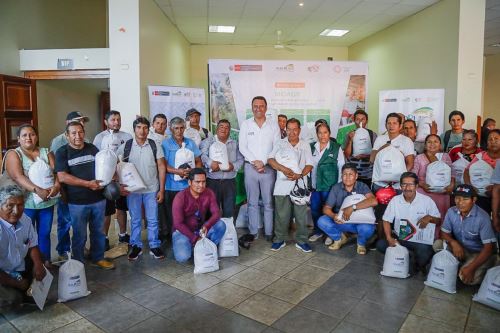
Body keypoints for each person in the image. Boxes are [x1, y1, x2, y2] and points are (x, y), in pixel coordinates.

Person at [55, 121, 114, 269]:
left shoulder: (92, 148)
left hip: (98, 199)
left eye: (80, 132)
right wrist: (87, 184)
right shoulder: (62, 152)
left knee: (99, 231)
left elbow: (104, 166)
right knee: (79, 235)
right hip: (77, 202)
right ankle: (78, 263)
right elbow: (62, 177)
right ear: (67, 135)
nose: (77, 136)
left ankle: (98, 257)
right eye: (73, 133)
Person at [4, 125, 59, 265]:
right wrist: (37, 190)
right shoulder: (14, 154)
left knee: (44, 233)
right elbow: (17, 176)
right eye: (24, 135)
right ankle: (26, 265)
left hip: (47, 201)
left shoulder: (46, 152)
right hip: (24, 204)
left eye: (32, 134)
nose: (28, 138)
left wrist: (57, 185)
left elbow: (57, 172)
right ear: (18, 139)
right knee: (25, 235)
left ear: (36, 137)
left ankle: (45, 261)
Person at [116, 117, 166, 260]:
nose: (142, 131)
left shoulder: (154, 144)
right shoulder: (126, 146)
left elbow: (161, 167)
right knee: (136, 219)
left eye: (145, 128)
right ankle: (136, 245)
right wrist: (120, 186)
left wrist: (161, 189)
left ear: (148, 129)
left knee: (153, 219)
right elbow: (117, 166)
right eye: (139, 127)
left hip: (152, 189)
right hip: (133, 191)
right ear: (134, 129)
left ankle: (154, 245)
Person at [376, 172, 441, 273]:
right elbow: (386, 220)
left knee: (425, 253)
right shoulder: (395, 200)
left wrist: (430, 218)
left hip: (420, 240)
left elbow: (438, 220)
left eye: (410, 184)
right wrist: (389, 238)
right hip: (401, 238)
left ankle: (410, 259)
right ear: (400, 186)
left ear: (417, 186)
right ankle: (409, 257)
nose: (407, 188)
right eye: (404, 184)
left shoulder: (427, 201)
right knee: (381, 244)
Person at [268, 118, 313, 252]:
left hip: (300, 186)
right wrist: (283, 169)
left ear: (299, 130)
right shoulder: (279, 143)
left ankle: (302, 241)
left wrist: (299, 175)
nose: (292, 132)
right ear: (285, 130)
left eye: (295, 129)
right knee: (282, 215)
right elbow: (270, 160)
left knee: (301, 216)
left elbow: (309, 164)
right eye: (289, 129)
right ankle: (279, 240)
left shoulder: (305, 145)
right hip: (282, 186)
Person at [239, 96, 280, 240]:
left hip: (268, 169)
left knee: (269, 202)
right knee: (252, 202)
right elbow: (242, 146)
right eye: (255, 106)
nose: (258, 109)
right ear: (252, 108)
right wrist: (255, 161)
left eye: (261, 106)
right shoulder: (246, 124)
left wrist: (263, 162)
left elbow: (276, 146)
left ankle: (269, 233)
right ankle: (253, 232)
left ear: (266, 108)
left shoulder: (273, 125)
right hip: (251, 168)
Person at [50, 111, 89, 260]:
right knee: (65, 221)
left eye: (83, 122)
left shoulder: (86, 138)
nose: (82, 124)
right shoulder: (58, 141)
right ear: (67, 124)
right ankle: (64, 250)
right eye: (78, 121)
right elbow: (56, 167)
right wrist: (61, 187)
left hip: (83, 189)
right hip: (66, 188)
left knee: (80, 221)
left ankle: (80, 246)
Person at [439, 184, 497, 285]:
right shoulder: (451, 211)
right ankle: (460, 266)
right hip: (462, 249)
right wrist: (453, 243)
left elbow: (488, 248)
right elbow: (444, 233)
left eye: (465, 199)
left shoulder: (482, 217)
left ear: (473, 200)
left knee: (468, 279)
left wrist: (471, 268)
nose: (460, 202)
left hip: (479, 253)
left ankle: (491, 262)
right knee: (438, 244)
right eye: (457, 198)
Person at [0, 185, 46, 311]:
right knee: (11, 300)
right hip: (2, 272)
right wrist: (15, 283)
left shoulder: (25, 220)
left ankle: (23, 289)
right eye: (10, 205)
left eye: (20, 205)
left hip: (15, 266)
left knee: (41, 259)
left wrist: (38, 264)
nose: (16, 211)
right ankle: (17, 290)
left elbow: (32, 244)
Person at [93, 110, 133, 250]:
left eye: (118, 119)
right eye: (113, 120)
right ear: (106, 122)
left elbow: (129, 157)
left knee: (122, 207)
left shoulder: (127, 136)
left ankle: (123, 234)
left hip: (123, 178)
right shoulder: (99, 138)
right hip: (106, 181)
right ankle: (104, 238)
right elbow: (97, 159)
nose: (116, 122)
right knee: (107, 210)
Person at [317, 163, 378, 255]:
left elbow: (373, 201)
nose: (347, 177)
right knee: (322, 221)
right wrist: (333, 216)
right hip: (341, 222)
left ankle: (361, 244)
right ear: (341, 176)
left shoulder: (362, 186)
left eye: (351, 174)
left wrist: (352, 207)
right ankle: (339, 239)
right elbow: (326, 208)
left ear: (356, 176)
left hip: (358, 222)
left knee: (368, 228)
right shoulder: (336, 188)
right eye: (345, 174)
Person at [160, 117, 202, 242]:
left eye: (181, 128)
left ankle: (189, 239)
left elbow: (198, 161)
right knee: (173, 217)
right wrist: (177, 171)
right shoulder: (166, 144)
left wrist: (193, 173)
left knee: (189, 215)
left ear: (185, 128)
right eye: (176, 128)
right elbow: (163, 165)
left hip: (187, 188)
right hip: (171, 187)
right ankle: (174, 240)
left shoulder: (190, 143)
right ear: (171, 129)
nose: (179, 131)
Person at [171, 168, 226, 263]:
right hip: (183, 232)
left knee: (221, 224)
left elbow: (216, 213)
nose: (201, 185)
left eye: (203, 182)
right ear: (189, 182)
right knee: (183, 257)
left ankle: (207, 248)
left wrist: (206, 226)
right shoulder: (180, 197)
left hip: (200, 230)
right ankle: (194, 247)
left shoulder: (209, 193)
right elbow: (178, 224)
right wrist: (195, 238)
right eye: (197, 182)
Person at [308, 121, 344, 246]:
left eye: (325, 132)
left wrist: (339, 186)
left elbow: (341, 167)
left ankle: (330, 233)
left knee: (329, 210)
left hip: (330, 185)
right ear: (317, 134)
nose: (323, 136)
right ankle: (318, 231)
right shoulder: (311, 147)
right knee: (314, 209)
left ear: (329, 133)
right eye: (320, 133)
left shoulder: (336, 147)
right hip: (315, 185)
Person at [200, 119, 244, 218]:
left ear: (230, 131)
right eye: (221, 127)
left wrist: (233, 166)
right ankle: (212, 232)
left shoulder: (234, 144)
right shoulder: (208, 142)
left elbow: (241, 160)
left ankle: (229, 232)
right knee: (211, 211)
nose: (224, 129)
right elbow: (202, 155)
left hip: (230, 182)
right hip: (212, 181)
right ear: (217, 129)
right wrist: (211, 163)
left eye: (227, 128)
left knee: (229, 212)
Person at [412, 134, 455, 221]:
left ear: (440, 145)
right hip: (424, 192)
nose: (432, 144)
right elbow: (413, 175)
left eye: (435, 141)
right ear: (425, 145)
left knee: (440, 217)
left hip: (443, 193)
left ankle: (439, 235)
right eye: (429, 142)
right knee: (423, 216)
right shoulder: (419, 158)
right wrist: (422, 185)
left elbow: (452, 173)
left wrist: (452, 184)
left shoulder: (445, 157)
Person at [370, 112, 415, 191]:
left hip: (398, 185)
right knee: (379, 203)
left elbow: (410, 164)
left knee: (398, 203)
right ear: (385, 125)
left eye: (394, 123)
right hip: (380, 183)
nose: (391, 126)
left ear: (400, 126)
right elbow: (372, 159)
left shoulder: (406, 141)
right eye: (389, 123)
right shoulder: (380, 139)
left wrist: (397, 178)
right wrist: (383, 148)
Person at [464, 129, 499, 214]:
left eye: (496, 138)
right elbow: (466, 171)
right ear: (487, 143)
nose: (493, 141)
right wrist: (470, 186)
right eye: (490, 139)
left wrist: (496, 189)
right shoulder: (480, 156)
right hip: (480, 198)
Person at [344, 110, 376, 187]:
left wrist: (366, 156)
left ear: (366, 121)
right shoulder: (349, 134)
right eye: (357, 119)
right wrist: (350, 139)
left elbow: (376, 154)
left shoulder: (372, 134)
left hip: (367, 173)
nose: (360, 121)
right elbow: (346, 154)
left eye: (363, 119)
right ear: (354, 121)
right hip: (352, 173)